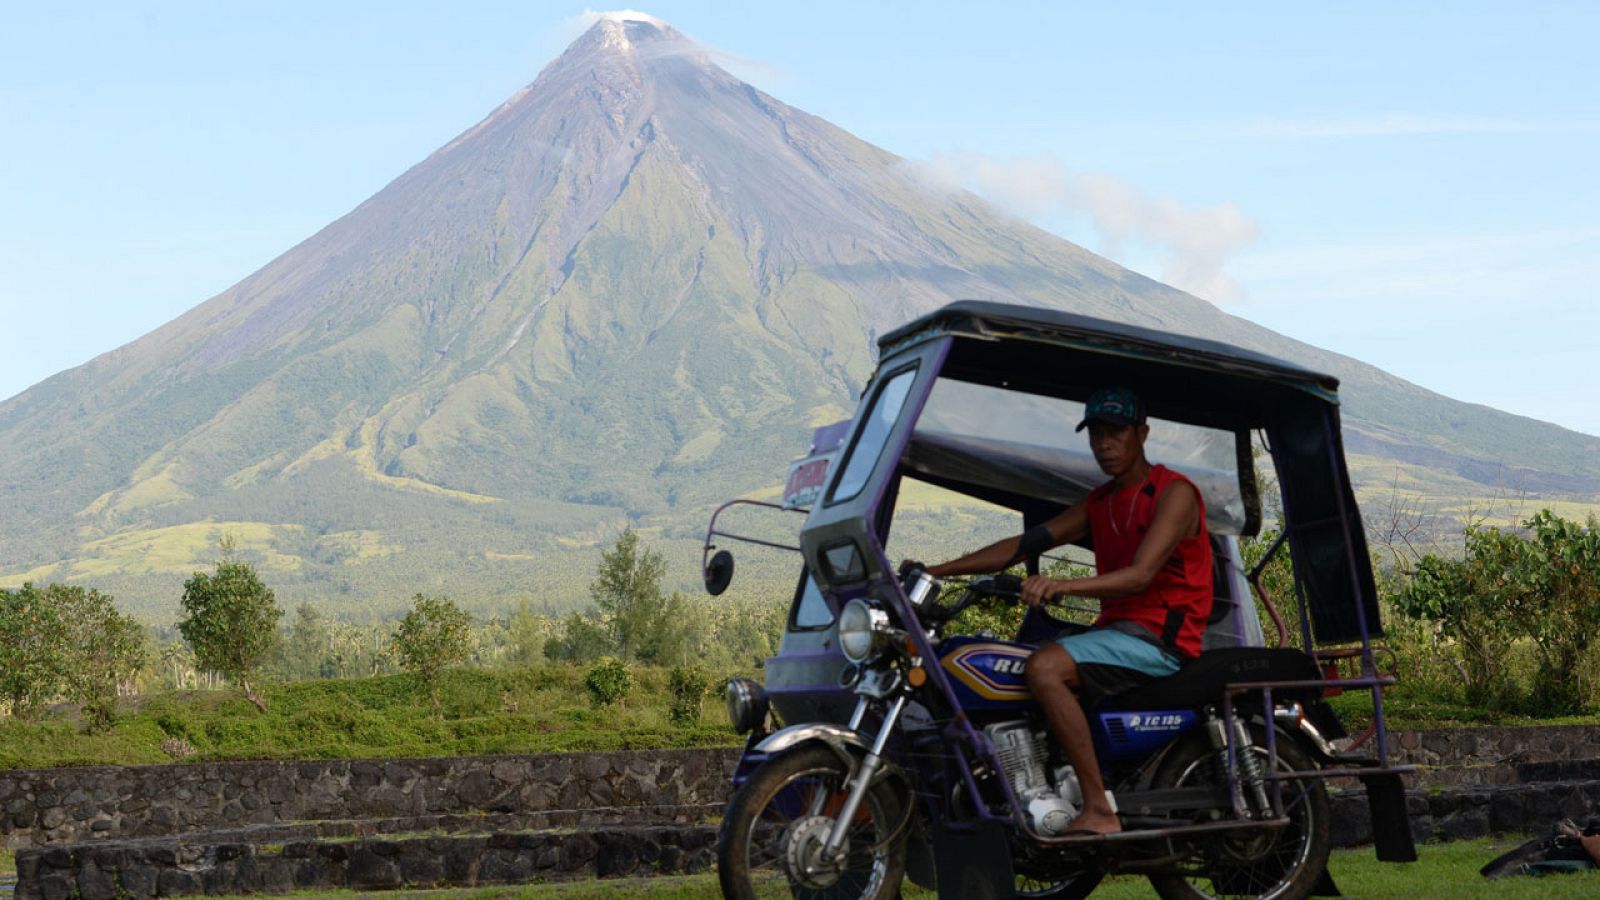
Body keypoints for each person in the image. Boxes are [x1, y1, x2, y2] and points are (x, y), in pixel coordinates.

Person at [913, 387, 1213, 837]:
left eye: (1116, 433)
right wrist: (938, 569)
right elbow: (1022, 546)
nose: (1105, 445)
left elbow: (1139, 576)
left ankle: (1098, 810)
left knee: (1045, 666)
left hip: (1161, 639)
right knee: (1011, 663)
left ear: (1142, 434)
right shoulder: (1100, 502)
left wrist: (1061, 585)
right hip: (1116, 633)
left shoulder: (1174, 494)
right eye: (1096, 435)